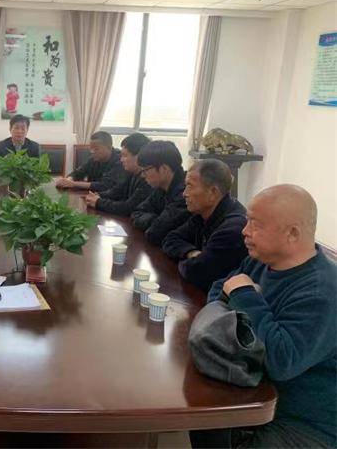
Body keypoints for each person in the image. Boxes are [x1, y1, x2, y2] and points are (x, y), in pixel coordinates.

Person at [193, 185, 336, 448]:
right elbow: (219, 290)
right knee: (202, 417)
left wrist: (245, 295)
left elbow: (282, 361)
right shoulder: (261, 259)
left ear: (292, 233)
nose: (244, 231)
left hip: (304, 420)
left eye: (255, 224)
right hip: (250, 388)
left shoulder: (321, 292)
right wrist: (239, 300)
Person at [162, 159, 248, 292]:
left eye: (190, 186)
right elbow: (170, 239)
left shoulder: (233, 228)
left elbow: (197, 272)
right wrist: (192, 253)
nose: (184, 194)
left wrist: (188, 260)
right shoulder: (202, 214)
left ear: (213, 192)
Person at [131, 140, 190, 246]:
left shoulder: (185, 193)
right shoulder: (161, 187)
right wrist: (156, 219)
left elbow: (155, 233)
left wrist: (155, 221)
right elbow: (136, 213)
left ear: (164, 169)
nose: (142, 175)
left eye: (145, 170)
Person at [84, 132, 152, 216]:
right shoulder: (131, 172)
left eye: (125, 156)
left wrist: (98, 202)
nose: (121, 160)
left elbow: (127, 208)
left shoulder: (149, 179)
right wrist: (98, 195)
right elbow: (117, 191)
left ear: (139, 156)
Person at [56, 130, 125, 193]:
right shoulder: (93, 159)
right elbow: (78, 173)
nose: (92, 152)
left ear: (109, 147)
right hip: (91, 196)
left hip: (110, 199)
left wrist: (73, 184)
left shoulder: (120, 161)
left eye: (96, 149)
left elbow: (104, 185)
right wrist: (68, 180)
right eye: (91, 148)